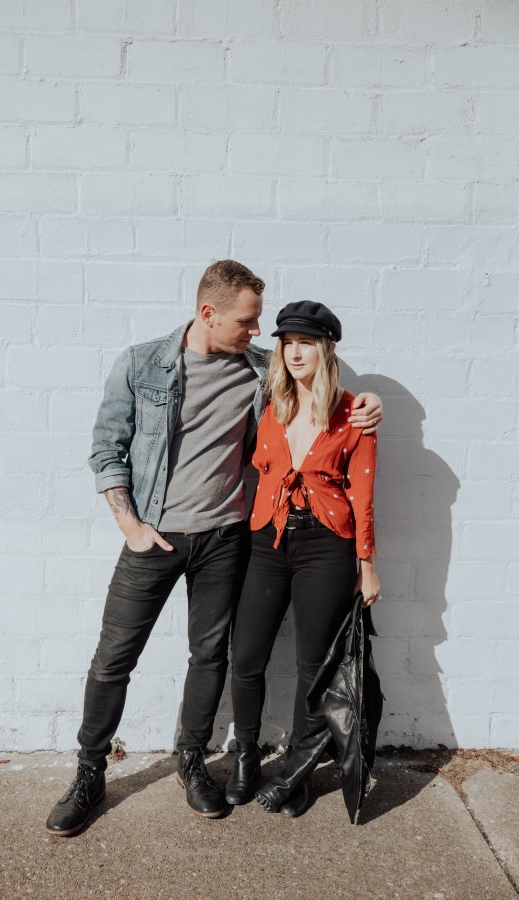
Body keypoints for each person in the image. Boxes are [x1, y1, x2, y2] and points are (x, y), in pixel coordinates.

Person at [45, 265, 383, 836]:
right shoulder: (140, 364)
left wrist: (366, 401)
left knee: (209, 658)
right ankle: (89, 771)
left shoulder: (257, 373)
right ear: (209, 314)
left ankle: (193, 761)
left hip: (226, 540)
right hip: (153, 536)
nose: (258, 333)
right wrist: (129, 524)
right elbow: (107, 449)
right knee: (113, 659)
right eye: (248, 321)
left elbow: (312, 392)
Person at [226, 301, 381, 817]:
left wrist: (367, 562)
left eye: (306, 342)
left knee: (313, 666)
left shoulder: (354, 411)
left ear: (327, 347)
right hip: (267, 541)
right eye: (287, 342)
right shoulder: (268, 400)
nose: (294, 352)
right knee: (246, 656)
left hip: (326, 547)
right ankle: (245, 755)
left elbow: (363, 494)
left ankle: (298, 771)